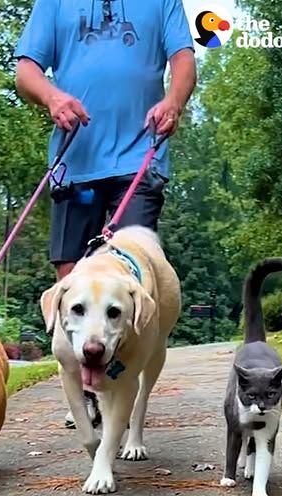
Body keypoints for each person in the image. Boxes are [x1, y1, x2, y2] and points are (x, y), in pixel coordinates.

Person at [15, 0, 196, 427]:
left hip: (139, 159)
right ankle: (86, 386)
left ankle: (120, 388)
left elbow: (184, 60)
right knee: (71, 276)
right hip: (74, 161)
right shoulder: (54, 3)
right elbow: (26, 71)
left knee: (130, 273)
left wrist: (174, 100)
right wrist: (53, 97)